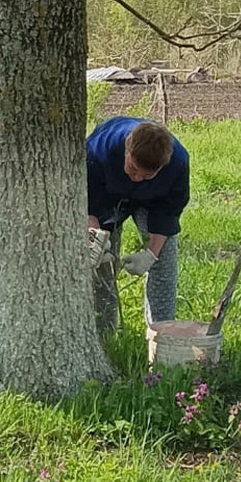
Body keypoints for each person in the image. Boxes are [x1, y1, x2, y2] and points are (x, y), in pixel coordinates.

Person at [86, 116, 190, 333]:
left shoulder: (178, 164)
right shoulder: (98, 150)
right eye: (133, 169)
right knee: (99, 263)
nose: (138, 178)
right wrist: (95, 235)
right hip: (106, 195)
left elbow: (168, 212)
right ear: (126, 151)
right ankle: (103, 334)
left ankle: (160, 335)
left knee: (163, 261)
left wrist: (150, 255)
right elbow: (86, 201)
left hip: (152, 202)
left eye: (148, 175)